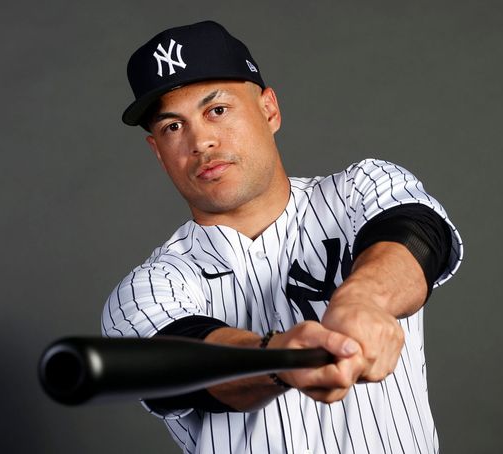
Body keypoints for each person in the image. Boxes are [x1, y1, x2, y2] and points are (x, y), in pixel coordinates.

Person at [102, 20, 463, 454]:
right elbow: (186, 362)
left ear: (269, 110)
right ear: (158, 152)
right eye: (173, 127)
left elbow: (417, 235)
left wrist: (363, 300)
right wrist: (282, 359)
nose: (201, 141)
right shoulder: (144, 291)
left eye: (217, 110)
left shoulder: (360, 190)